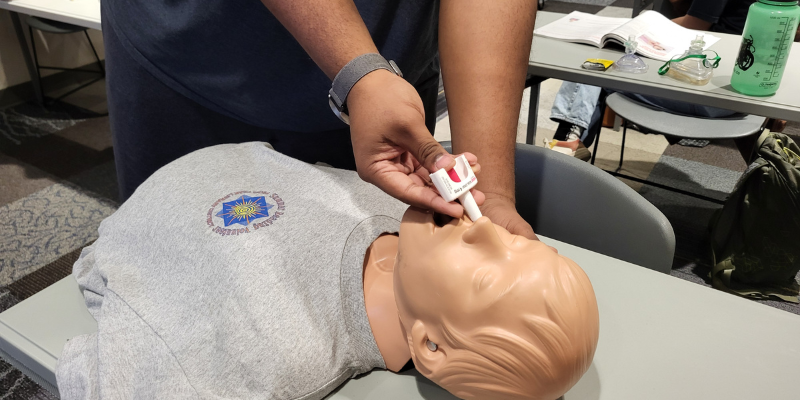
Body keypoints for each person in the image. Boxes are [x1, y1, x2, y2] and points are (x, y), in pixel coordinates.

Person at [55, 142, 600, 400]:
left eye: (485, 276)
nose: (486, 231)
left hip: (133, 237)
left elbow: (99, 378)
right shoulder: (401, 209)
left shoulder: (281, 358)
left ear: (431, 347)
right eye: (516, 243)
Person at [102, 0, 538, 239]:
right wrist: (360, 75)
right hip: (197, 61)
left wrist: (492, 195)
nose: (485, 246)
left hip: (385, 88)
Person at [548, 0, 756, 153]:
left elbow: (695, 25)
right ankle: (568, 146)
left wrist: (637, 29)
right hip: (736, 90)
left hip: (708, 93)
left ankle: (565, 148)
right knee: (599, 71)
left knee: (594, 70)